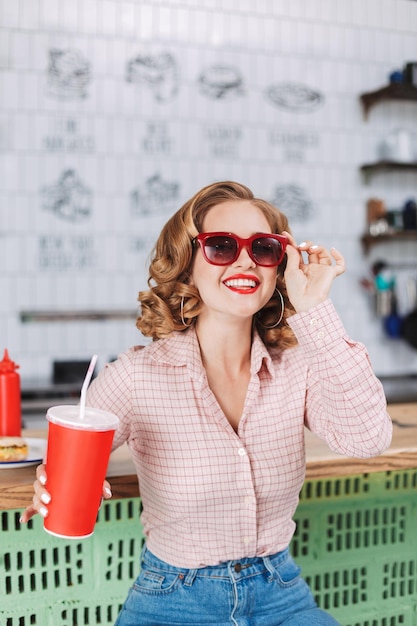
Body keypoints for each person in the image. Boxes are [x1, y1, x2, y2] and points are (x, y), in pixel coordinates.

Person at [21, 181, 392, 625]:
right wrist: (52, 483)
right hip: (173, 600)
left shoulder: (299, 367)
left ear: (280, 267)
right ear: (186, 264)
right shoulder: (138, 376)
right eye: (220, 246)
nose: (244, 260)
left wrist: (313, 307)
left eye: (264, 248)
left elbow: (368, 438)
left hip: (282, 596)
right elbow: (66, 459)